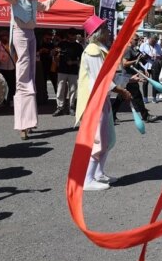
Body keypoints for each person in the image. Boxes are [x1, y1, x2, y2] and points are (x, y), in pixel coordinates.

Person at [0, 0, 61, 140]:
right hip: (19, 32)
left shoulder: (34, 1)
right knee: (23, 74)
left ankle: (30, 120)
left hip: (31, 33)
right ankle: (23, 123)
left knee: (30, 75)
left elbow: (46, 6)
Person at [75, 16, 131, 191]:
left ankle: (98, 174)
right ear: (98, 32)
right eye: (105, 28)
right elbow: (102, 78)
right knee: (99, 139)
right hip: (94, 101)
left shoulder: (99, 48)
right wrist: (121, 90)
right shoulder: (92, 50)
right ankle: (87, 179)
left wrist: (129, 82)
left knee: (108, 139)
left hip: (101, 99)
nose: (108, 31)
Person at [112, 34, 153, 124]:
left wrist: (143, 69)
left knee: (121, 97)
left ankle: (112, 115)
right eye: (135, 39)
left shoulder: (135, 49)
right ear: (130, 40)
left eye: (138, 39)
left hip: (131, 76)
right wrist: (136, 60)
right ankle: (146, 116)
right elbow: (125, 63)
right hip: (127, 76)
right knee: (137, 97)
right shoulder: (127, 49)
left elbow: (137, 63)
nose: (137, 41)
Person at [53, 29, 83, 116]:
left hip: (73, 71)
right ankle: (60, 107)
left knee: (73, 90)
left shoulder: (78, 46)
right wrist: (56, 54)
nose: (72, 36)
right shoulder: (61, 44)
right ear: (68, 35)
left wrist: (73, 62)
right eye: (71, 34)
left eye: (74, 34)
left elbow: (82, 59)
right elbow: (54, 56)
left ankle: (71, 107)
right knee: (60, 89)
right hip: (62, 69)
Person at [0, 29, 16, 107]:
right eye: (2, 36)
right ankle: (1, 101)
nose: (4, 38)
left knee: (12, 85)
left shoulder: (12, 45)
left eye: (6, 36)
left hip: (10, 68)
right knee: (1, 85)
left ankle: (11, 100)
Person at [139, 35, 162, 103]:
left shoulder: (157, 46)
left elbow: (161, 55)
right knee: (145, 81)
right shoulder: (143, 45)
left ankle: (154, 97)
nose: (153, 43)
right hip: (146, 65)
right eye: (152, 41)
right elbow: (140, 54)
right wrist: (146, 56)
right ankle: (145, 98)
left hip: (154, 65)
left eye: (155, 42)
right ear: (149, 39)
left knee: (155, 82)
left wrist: (157, 56)